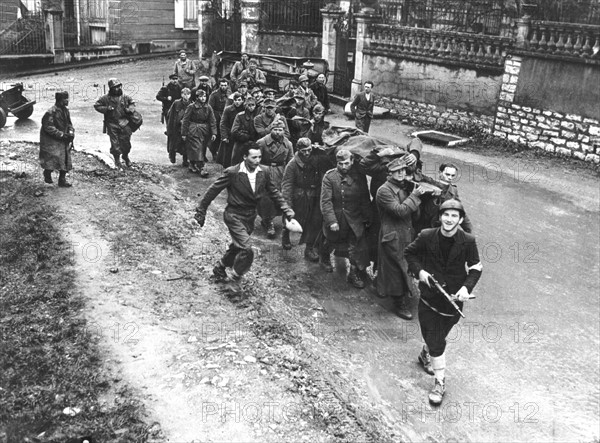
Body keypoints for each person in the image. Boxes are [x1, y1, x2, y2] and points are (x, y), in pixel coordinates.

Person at [404, 199, 482, 406]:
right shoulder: (427, 236)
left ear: (461, 219)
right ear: (440, 217)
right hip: (429, 298)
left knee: (439, 336)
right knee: (437, 340)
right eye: (446, 215)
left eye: (454, 216)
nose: (449, 219)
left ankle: (425, 354)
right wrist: (420, 272)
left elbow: (476, 267)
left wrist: (466, 288)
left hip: (453, 302)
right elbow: (409, 253)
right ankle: (440, 383)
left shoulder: (468, 240)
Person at [194, 143, 295, 285]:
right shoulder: (233, 172)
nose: (257, 160)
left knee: (237, 245)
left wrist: (286, 209)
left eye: (259, 157)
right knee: (247, 249)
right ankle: (235, 279)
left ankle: (220, 267)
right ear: (244, 157)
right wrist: (201, 210)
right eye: (254, 157)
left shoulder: (265, 171)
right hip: (234, 215)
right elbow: (213, 190)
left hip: (250, 216)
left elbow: (273, 192)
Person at [376, 155, 437, 320]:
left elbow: (413, 214)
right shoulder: (384, 190)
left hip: (406, 233)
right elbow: (399, 211)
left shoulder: (404, 187)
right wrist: (415, 195)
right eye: (396, 171)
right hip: (392, 235)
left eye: (403, 170)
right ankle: (399, 302)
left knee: (405, 266)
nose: (401, 173)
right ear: (390, 173)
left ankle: (399, 294)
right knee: (396, 269)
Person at [320, 149, 371, 289]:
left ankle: (353, 273)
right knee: (330, 240)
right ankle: (324, 258)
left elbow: (365, 198)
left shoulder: (359, 177)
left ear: (352, 161)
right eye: (340, 163)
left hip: (354, 218)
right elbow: (326, 201)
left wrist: (367, 217)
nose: (343, 166)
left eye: (346, 163)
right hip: (337, 217)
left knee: (356, 246)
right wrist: (331, 221)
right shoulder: (329, 177)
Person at [281, 138, 332, 260]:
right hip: (298, 196)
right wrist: (287, 205)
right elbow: (287, 185)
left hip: (314, 195)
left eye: (309, 150)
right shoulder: (292, 164)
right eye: (304, 151)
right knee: (293, 218)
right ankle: (285, 233)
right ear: (298, 150)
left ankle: (308, 249)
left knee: (313, 222)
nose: (307, 153)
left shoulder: (315, 159)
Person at [256, 120, 294, 238]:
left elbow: (291, 160)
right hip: (266, 171)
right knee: (266, 199)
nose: (278, 132)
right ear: (271, 130)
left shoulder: (288, 144)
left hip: (281, 173)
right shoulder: (262, 143)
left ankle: (278, 222)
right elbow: (255, 159)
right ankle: (268, 222)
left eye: (280, 130)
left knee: (281, 197)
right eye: (275, 130)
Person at [414, 162, 473, 234]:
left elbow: (459, 209)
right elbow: (423, 211)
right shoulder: (429, 185)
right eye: (447, 174)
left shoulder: (453, 190)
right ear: (440, 173)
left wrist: (469, 230)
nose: (450, 178)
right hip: (425, 228)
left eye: (453, 175)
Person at [94, 78, 136, 169]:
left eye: (118, 86)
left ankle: (125, 156)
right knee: (115, 144)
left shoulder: (125, 97)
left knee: (126, 144)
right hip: (112, 123)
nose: (117, 89)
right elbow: (97, 105)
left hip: (124, 122)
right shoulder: (105, 98)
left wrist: (129, 110)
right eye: (114, 87)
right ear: (111, 88)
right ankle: (117, 160)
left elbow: (132, 103)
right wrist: (106, 109)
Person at [39, 91, 74, 187]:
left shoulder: (66, 111)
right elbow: (48, 127)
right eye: (65, 99)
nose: (67, 101)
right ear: (59, 100)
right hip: (51, 140)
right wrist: (61, 135)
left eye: (67, 98)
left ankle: (62, 180)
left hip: (63, 139)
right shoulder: (50, 112)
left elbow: (69, 124)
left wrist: (71, 132)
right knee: (52, 158)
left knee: (65, 159)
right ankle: (47, 173)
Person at [181, 89, 217, 176]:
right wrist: (184, 133)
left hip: (204, 130)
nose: (203, 98)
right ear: (197, 97)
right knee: (197, 148)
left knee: (202, 148)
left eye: (204, 96)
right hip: (194, 130)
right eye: (201, 96)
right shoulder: (191, 107)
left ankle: (192, 164)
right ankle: (201, 168)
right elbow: (185, 120)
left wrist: (214, 133)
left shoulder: (208, 107)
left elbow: (212, 121)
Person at [217, 92, 245, 168]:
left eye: (239, 100)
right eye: (235, 100)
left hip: (240, 136)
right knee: (227, 157)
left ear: (243, 100)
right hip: (230, 136)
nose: (237, 102)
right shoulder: (228, 110)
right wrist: (224, 136)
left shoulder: (245, 109)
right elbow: (223, 123)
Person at [166, 87, 192, 166]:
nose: (186, 96)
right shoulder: (176, 103)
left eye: (188, 94)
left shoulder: (191, 104)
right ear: (181, 95)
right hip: (175, 127)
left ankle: (185, 160)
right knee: (173, 143)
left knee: (185, 143)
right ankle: (172, 155)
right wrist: (169, 127)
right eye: (184, 94)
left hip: (185, 128)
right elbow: (170, 115)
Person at [230, 98, 258, 166]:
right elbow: (234, 131)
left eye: (253, 105)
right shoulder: (240, 116)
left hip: (254, 142)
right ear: (245, 105)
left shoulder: (258, 116)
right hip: (241, 142)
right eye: (249, 105)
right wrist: (245, 136)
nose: (251, 107)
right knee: (237, 163)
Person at [208, 78, 232, 160]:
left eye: (225, 85)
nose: (223, 87)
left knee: (226, 134)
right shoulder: (214, 95)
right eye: (222, 85)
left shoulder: (230, 94)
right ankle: (214, 152)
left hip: (226, 116)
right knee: (216, 135)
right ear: (219, 85)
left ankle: (223, 153)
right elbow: (210, 108)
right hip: (216, 116)